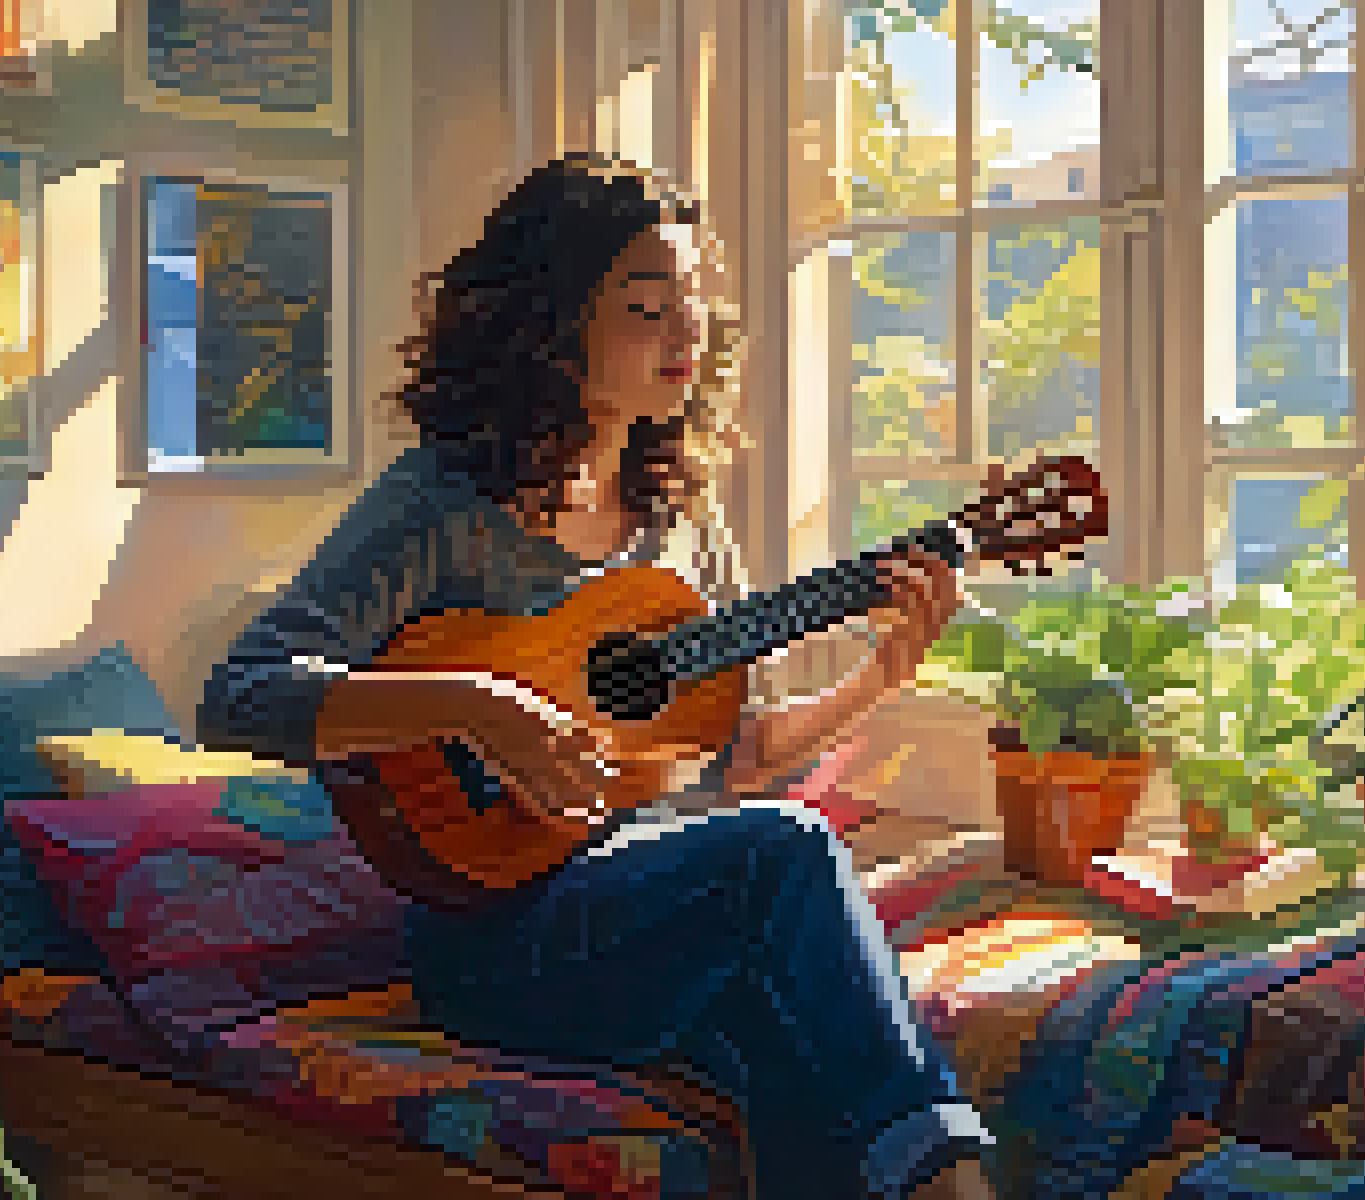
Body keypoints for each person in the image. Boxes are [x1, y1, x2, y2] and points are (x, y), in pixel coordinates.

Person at [199, 154, 997, 1200]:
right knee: (794, 858)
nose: (688, 332)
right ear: (553, 317)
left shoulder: (680, 521)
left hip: (649, 906)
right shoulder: (446, 502)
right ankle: (957, 1180)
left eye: (694, 303)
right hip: (498, 947)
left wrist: (877, 679)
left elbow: (736, 760)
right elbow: (239, 695)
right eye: (646, 306)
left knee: (785, 1038)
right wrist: (475, 704)